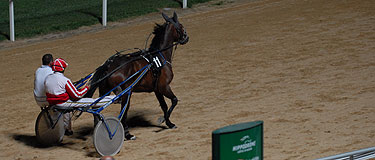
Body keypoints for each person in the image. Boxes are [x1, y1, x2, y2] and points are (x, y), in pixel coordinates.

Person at [45, 58, 115, 135]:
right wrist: (87, 88)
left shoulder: (47, 78)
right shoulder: (64, 80)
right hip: (64, 103)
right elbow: (77, 95)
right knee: (93, 101)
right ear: (63, 69)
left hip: (52, 103)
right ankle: (114, 98)